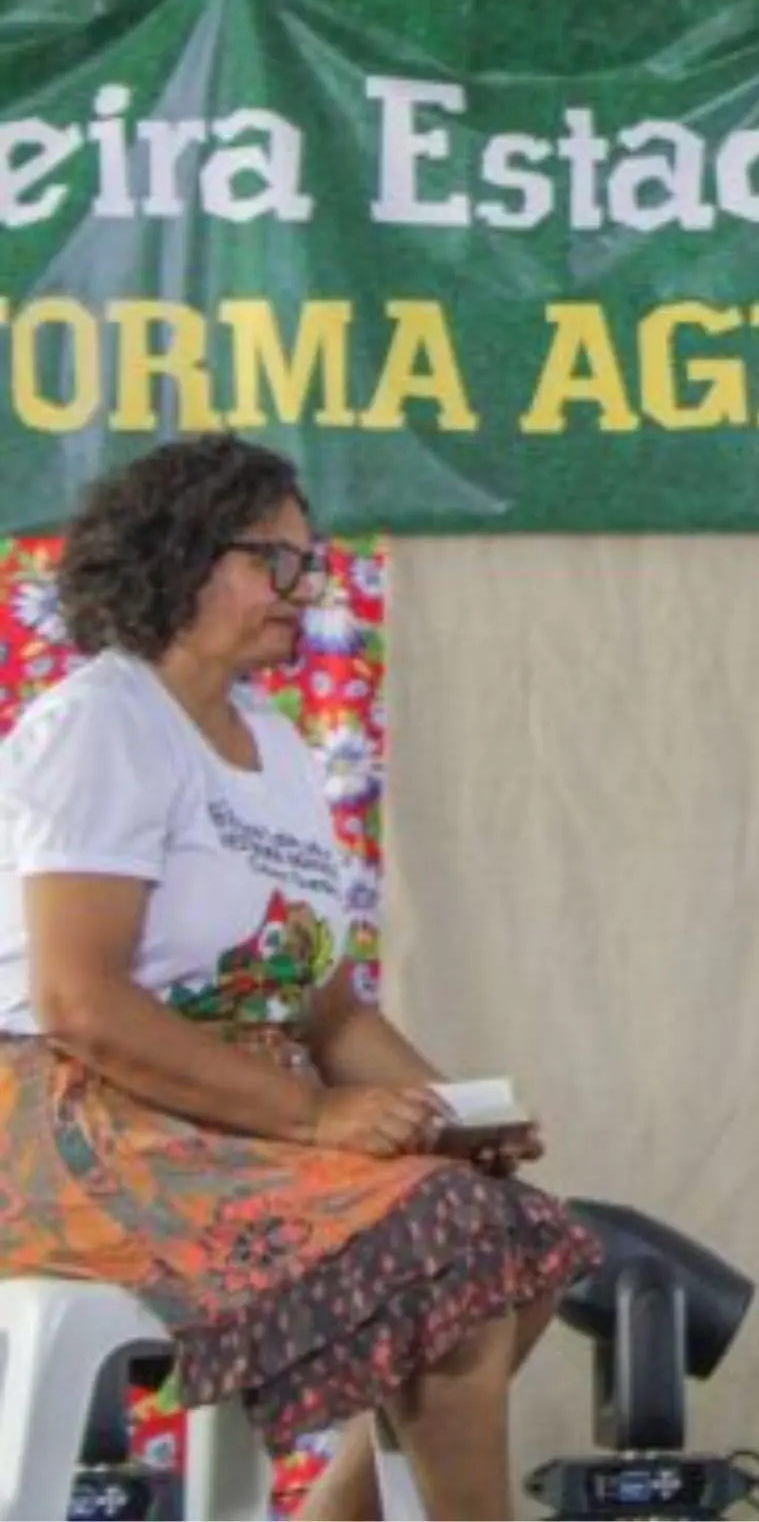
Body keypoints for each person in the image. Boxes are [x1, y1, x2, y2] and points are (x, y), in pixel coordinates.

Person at [0, 435, 599, 1521]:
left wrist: (449, 1114)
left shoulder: (274, 745)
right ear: (180, 558)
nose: (304, 586)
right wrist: (316, 1116)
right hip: (68, 1118)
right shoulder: (100, 723)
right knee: (447, 1239)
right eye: (272, 559)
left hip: (224, 1111)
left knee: (519, 1236)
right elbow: (81, 1002)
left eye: (307, 561)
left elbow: (327, 1011)